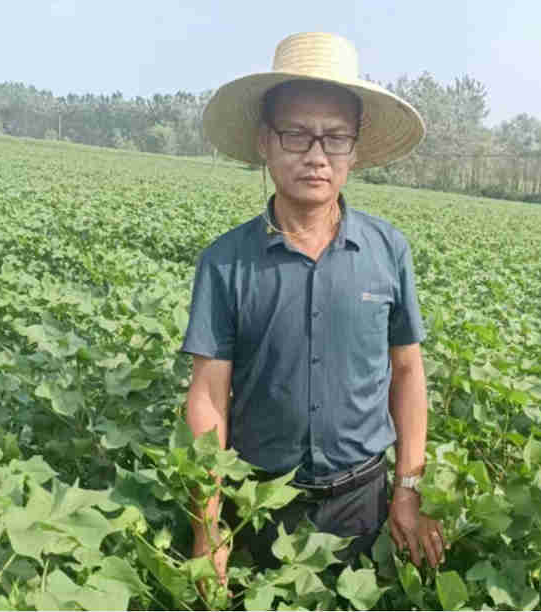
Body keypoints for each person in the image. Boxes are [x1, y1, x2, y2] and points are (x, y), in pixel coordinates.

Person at [181, 32, 445, 584]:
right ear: (264, 142)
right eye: (296, 135)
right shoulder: (225, 262)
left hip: (362, 503)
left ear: (355, 148)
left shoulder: (388, 250)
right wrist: (208, 531)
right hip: (258, 504)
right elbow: (208, 398)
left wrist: (408, 492)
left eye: (335, 138)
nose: (316, 156)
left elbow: (407, 371)